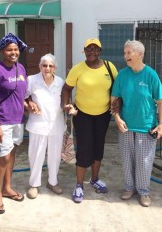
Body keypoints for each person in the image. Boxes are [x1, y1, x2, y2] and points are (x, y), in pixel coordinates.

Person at [61, 38, 118, 203]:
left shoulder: (109, 66)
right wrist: (66, 105)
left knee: (98, 147)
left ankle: (94, 179)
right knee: (85, 149)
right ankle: (79, 185)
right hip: (83, 115)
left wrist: (118, 103)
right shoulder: (78, 69)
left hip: (103, 115)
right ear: (84, 51)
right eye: (88, 49)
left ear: (100, 51)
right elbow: (66, 89)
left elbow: (118, 87)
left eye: (95, 49)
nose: (92, 52)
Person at [111, 39, 162, 207]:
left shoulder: (150, 75)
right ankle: (129, 188)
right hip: (126, 126)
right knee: (127, 159)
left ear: (139, 54)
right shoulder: (122, 75)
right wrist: (117, 118)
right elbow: (115, 99)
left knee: (144, 161)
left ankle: (143, 191)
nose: (125, 56)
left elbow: (161, 102)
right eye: (125, 53)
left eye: (129, 53)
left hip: (146, 126)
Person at [0, 33, 28, 214]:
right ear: (2, 51)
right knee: (2, 158)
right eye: (9, 49)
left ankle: (7, 188)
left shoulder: (21, 69)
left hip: (18, 120)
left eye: (16, 49)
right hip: (2, 121)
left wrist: (28, 104)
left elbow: (21, 94)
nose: (13, 52)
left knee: (11, 156)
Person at [25, 53, 66, 199]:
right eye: (44, 65)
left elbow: (66, 99)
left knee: (54, 156)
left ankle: (52, 182)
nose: (47, 68)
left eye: (50, 66)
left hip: (56, 124)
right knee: (36, 155)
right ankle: (34, 184)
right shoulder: (32, 80)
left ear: (55, 67)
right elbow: (24, 95)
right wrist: (30, 102)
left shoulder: (60, 82)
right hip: (38, 124)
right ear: (40, 66)